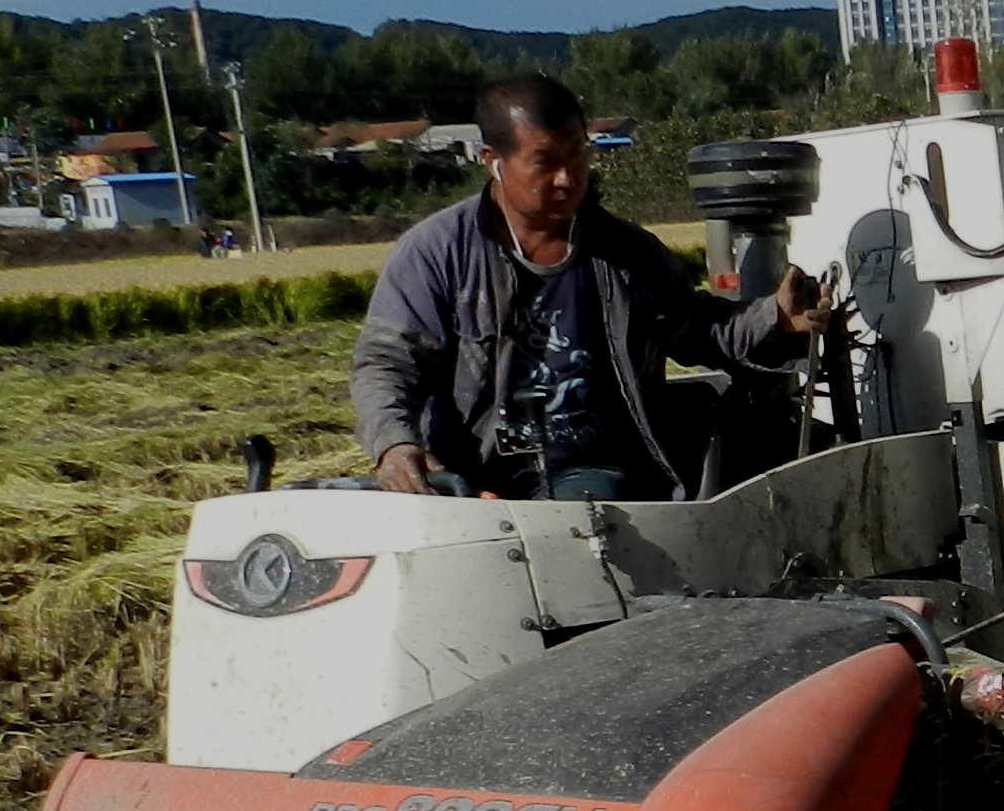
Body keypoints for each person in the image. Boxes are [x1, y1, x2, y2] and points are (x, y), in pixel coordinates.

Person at [352, 73, 828, 501]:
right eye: (545, 162)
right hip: (476, 478)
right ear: (492, 162)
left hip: (595, 474)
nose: (567, 178)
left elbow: (699, 329)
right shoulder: (436, 253)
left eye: (578, 155)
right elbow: (387, 363)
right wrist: (394, 445)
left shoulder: (628, 254)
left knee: (586, 510)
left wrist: (776, 318)